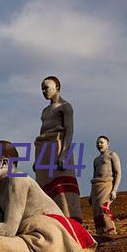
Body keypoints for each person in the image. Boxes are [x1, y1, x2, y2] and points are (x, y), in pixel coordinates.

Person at [34, 76, 84, 222]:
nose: (44, 91)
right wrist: (38, 160)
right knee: (43, 186)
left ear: (57, 87)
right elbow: (42, 131)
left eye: (47, 87)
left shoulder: (65, 107)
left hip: (59, 145)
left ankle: (70, 219)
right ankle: (50, 219)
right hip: (43, 148)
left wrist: (64, 154)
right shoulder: (45, 111)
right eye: (42, 89)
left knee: (62, 185)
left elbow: (70, 131)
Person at [89, 136, 121, 235]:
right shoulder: (96, 160)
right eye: (97, 143)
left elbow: (118, 173)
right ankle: (100, 231)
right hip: (96, 186)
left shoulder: (112, 155)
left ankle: (111, 230)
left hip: (107, 184)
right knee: (96, 210)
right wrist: (91, 194)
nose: (99, 145)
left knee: (103, 207)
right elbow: (94, 175)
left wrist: (114, 190)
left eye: (101, 142)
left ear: (108, 143)